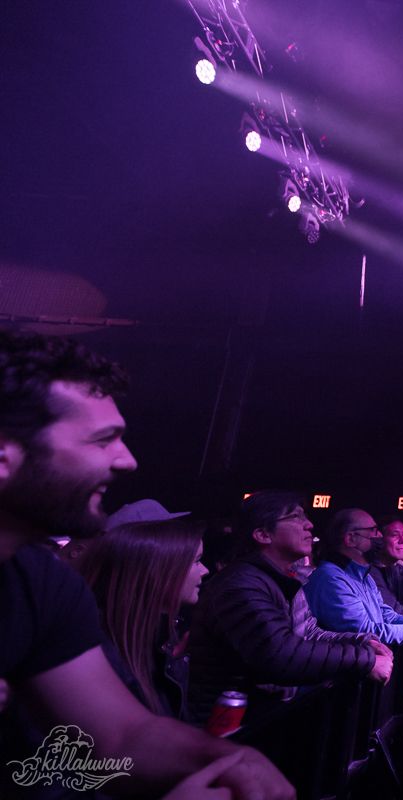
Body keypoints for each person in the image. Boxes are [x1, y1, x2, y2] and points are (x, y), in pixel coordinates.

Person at [0, 329, 292, 798]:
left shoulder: (38, 582)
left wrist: (232, 761)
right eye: (103, 440)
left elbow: (119, 735)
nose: (128, 461)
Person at [187, 492, 392, 723]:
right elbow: (280, 654)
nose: (309, 524)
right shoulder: (241, 585)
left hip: (263, 716)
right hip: (229, 729)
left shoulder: (283, 578)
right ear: (263, 534)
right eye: (296, 517)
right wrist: (364, 660)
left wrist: (360, 641)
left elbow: (309, 633)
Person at [78, 518, 208, 720]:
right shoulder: (96, 650)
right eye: (197, 561)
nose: (205, 570)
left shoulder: (160, 634)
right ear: (155, 573)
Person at [305, 509, 403, 645]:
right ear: (351, 539)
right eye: (373, 531)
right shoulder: (331, 578)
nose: (379, 536)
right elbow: (367, 632)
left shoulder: (363, 576)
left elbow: (388, 615)